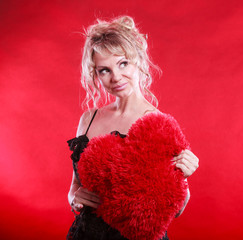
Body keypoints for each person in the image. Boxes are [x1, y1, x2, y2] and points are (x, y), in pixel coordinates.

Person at [66, 16, 199, 240]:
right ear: (96, 74)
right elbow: (75, 185)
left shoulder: (158, 124)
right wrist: (74, 198)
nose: (116, 77)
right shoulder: (88, 118)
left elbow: (177, 208)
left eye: (123, 63)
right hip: (88, 234)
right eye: (104, 70)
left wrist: (184, 175)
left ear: (138, 60)